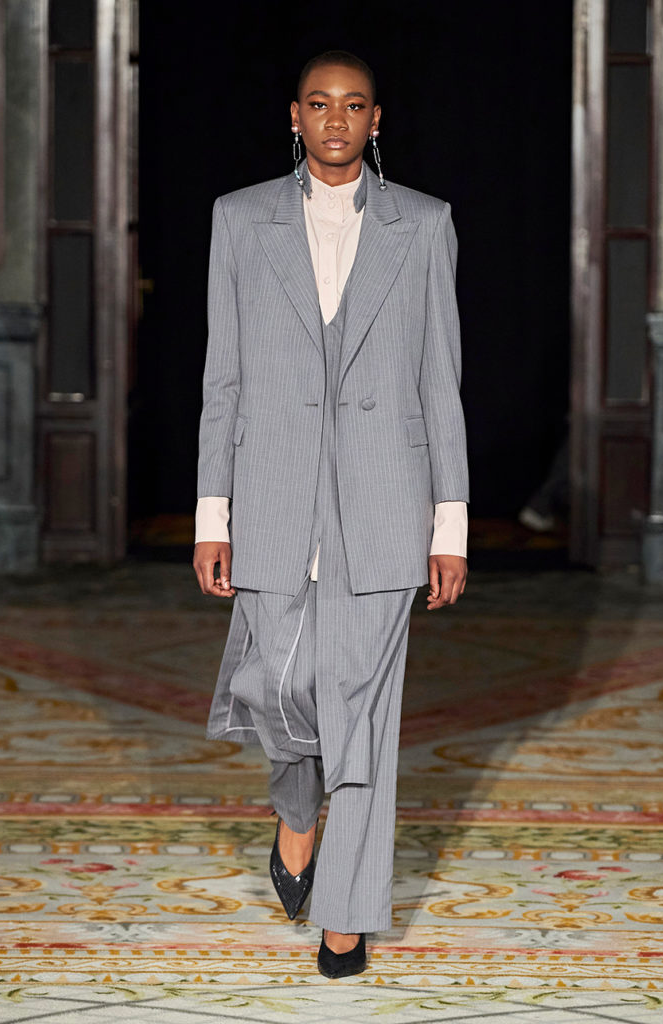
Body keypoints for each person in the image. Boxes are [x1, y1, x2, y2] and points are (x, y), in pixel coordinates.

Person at [193, 50, 469, 979]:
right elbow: (222, 380)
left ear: (376, 119)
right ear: (295, 116)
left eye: (354, 105)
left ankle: (345, 919)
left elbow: (440, 382)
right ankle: (296, 809)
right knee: (279, 688)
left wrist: (448, 525)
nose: (337, 119)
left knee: (363, 716)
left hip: (385, 506)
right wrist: (212, 514)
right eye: (320, 104)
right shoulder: (240, 219)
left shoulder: (422, 224)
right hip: (272, 499)